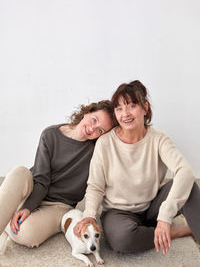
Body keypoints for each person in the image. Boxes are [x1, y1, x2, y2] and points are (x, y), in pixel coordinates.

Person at [74, 80, 200, 255]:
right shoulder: (105, 143)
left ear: (145, 108)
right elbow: (95, 186)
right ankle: (175, 231)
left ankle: (166, 227)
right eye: (119, 108)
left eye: (131, 106)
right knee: (122, 239)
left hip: (152, 205)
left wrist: (164, 216)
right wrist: (89, 215)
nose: (125, 114)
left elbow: (184, 172)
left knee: (190, 187)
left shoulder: (159, 139)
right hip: (118, 213)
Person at [0, 100, 114, 249]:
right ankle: (9, 211)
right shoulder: (50, 134)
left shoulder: (97, 152)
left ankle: (8, 210)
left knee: (26, 233)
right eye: (94, 120)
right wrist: (28, 207)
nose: (93, 128)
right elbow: (41, 180)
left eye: (100, 130)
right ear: (87, 113)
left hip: (59, 205)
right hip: (33, 188)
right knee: (19, 172)